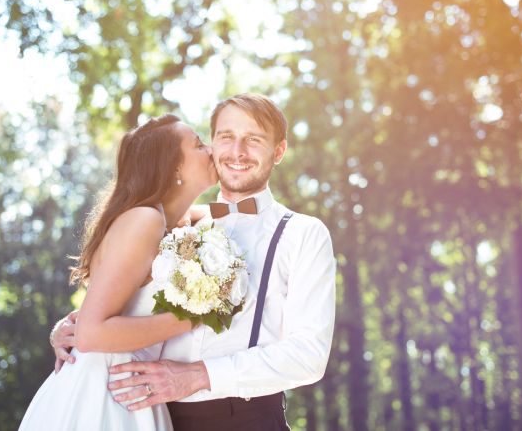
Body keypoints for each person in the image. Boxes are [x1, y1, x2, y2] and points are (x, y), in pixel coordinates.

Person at [52, 93, 336, 430]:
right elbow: (117, 300)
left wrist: (198, 376)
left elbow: (308, 356)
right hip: (152, 415)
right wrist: (68, 328)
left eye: (254, 140)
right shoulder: (172, 224)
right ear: (213, 145)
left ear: (278, 151)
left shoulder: (303, 234)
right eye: (225, 137)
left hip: (244, 418)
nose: (237, 151)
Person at [19, 114, 218, 430]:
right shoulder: (145, 220)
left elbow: (246, 212)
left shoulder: (173, 223)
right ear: (174, 168)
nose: (211, 149)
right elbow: (91, 333)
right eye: (198, 144)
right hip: (105, 393)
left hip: (127, 385)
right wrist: (190, 318)